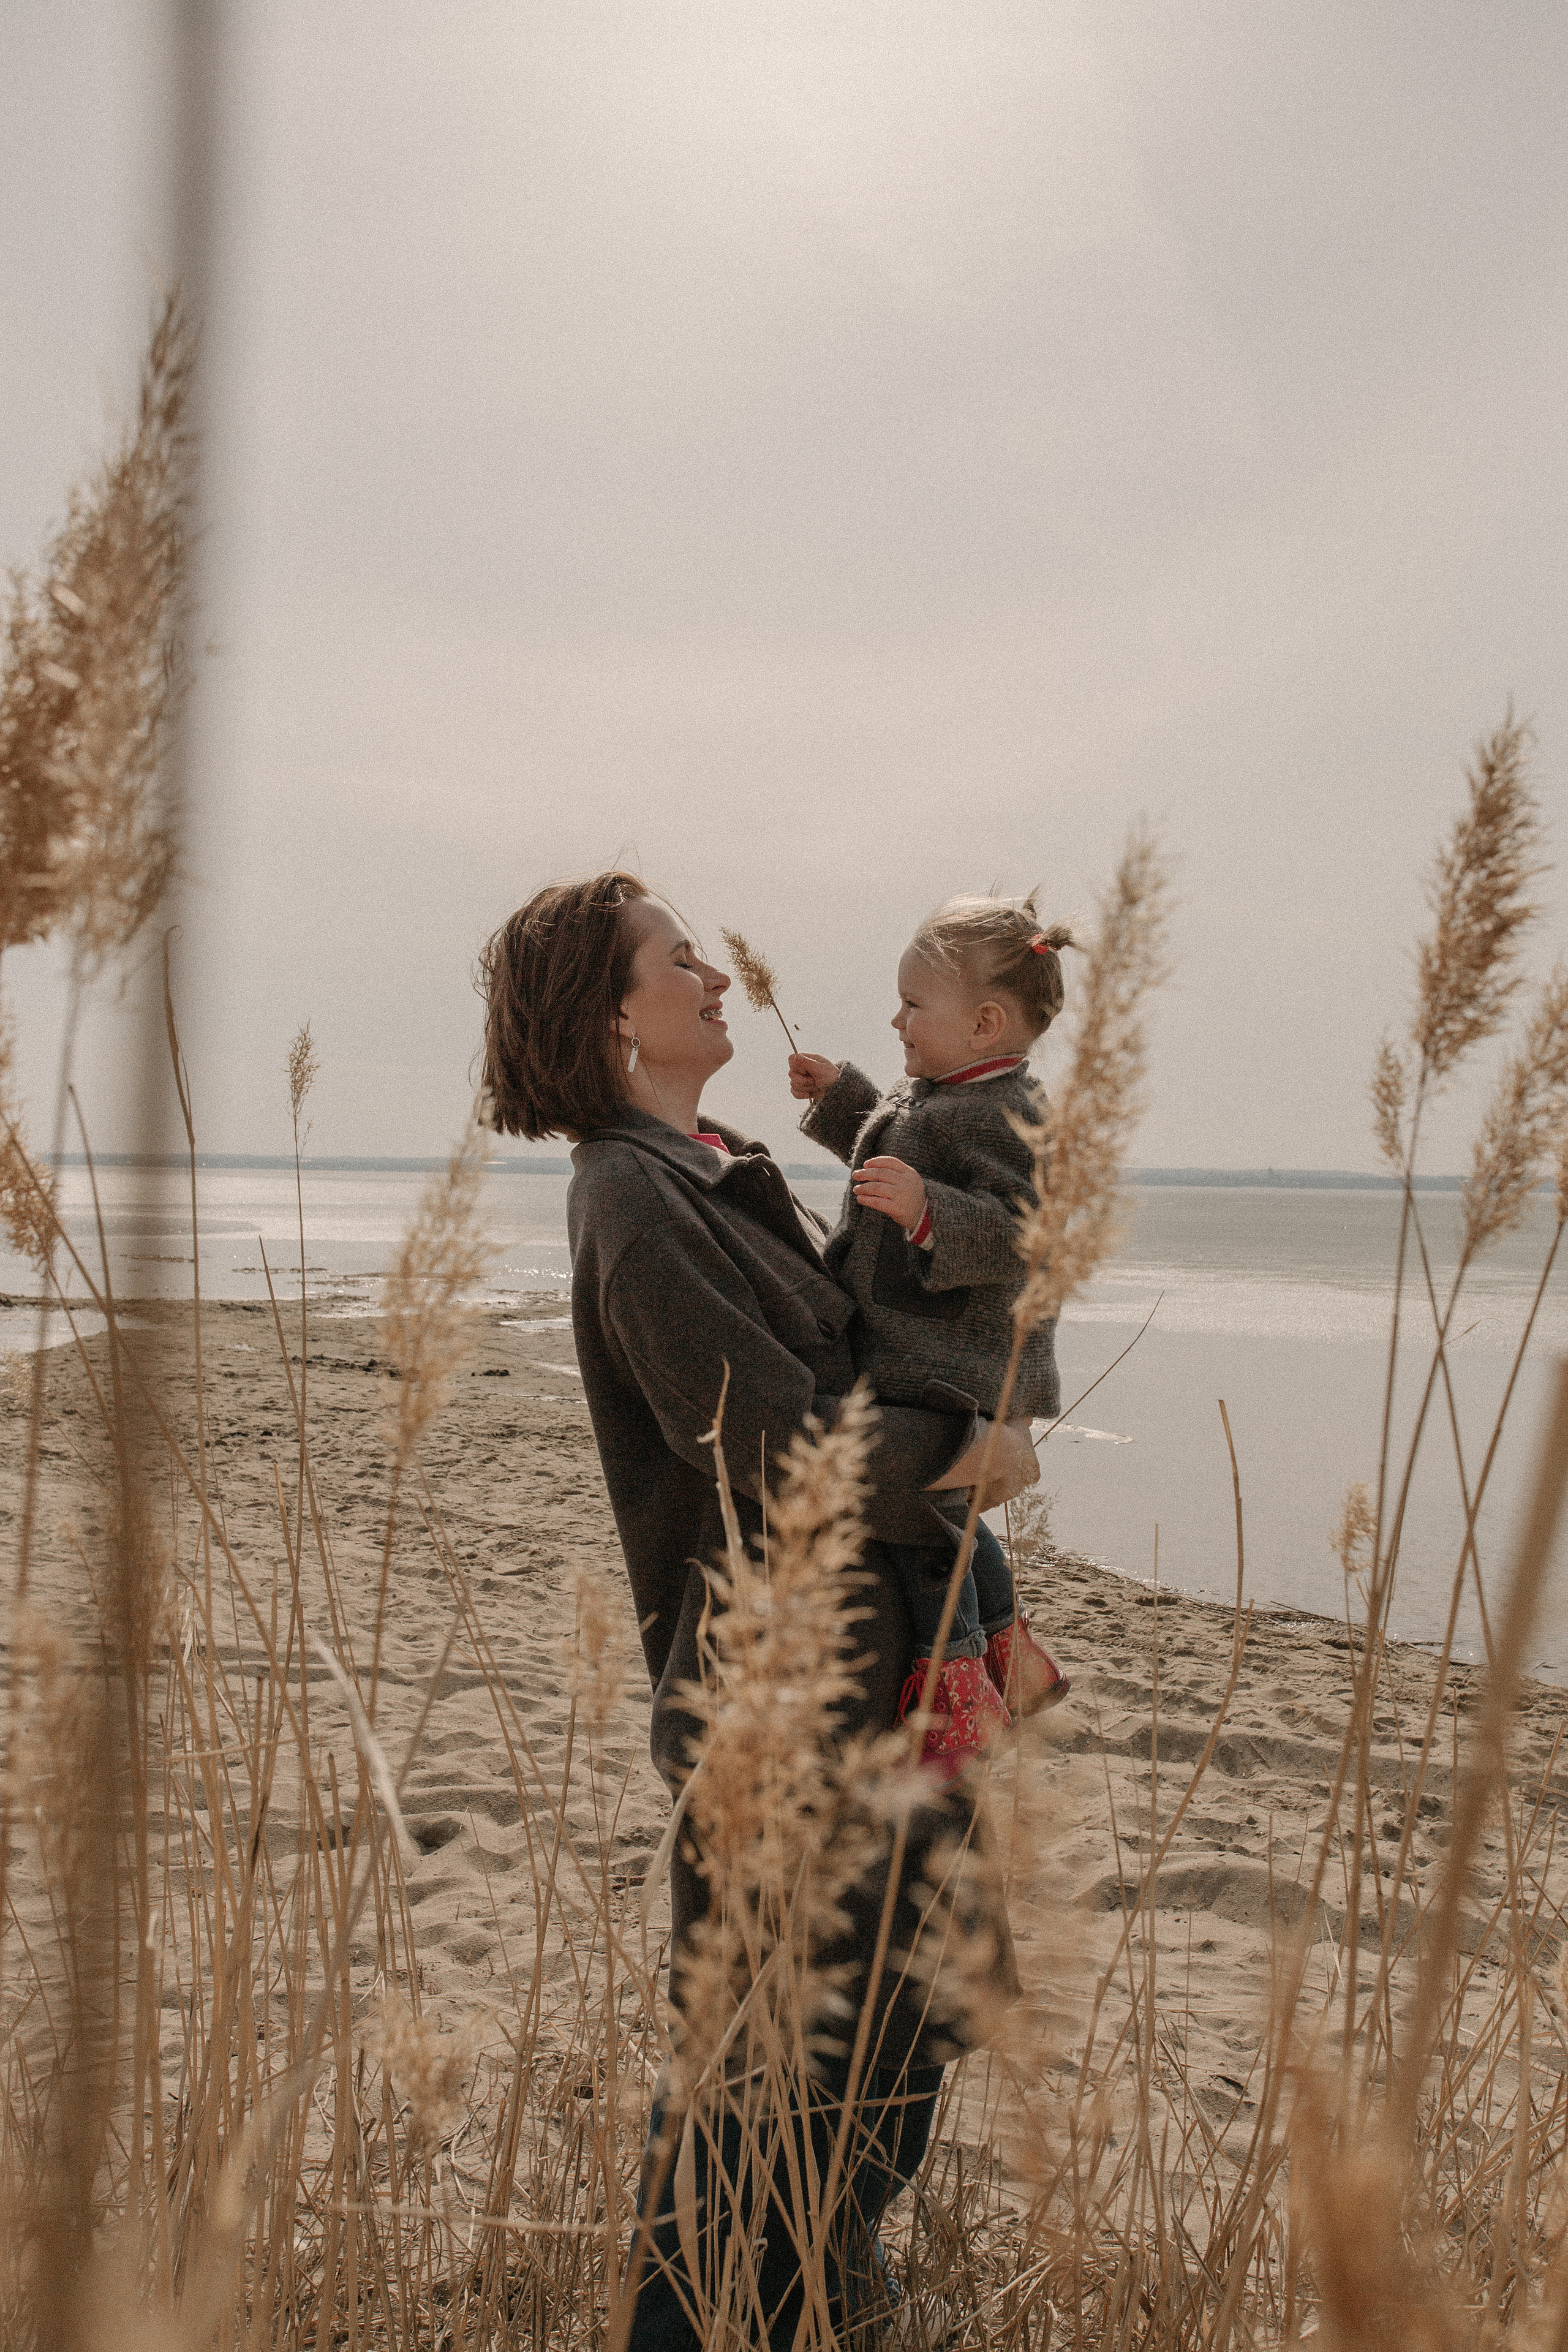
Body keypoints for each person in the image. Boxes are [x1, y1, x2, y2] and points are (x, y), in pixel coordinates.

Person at [478, 870, 1035, 2350]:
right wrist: (964, 1451)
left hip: (885, 1657)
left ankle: (825, 2303)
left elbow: (861, 1342)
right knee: (757, 2076)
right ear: (611, 1013)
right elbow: (781, 1454)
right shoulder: (627, 1194)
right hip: (772, 1697)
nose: (713, 972)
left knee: (898, 2037)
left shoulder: (718, 1158)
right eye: (678, 960)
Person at [789, 891, 1073, 1776]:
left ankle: (957, 1686)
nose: (896, 1019)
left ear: (985, 1022)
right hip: (928, 1356)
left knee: (917, 1522)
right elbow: (895, 1144)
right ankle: (1011, 1654)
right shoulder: (942, 1099)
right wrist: (843, 1100)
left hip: (956, 1361)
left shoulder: (1011, 1116)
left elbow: (1029, 1228)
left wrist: (930, 1213)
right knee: (949, 1514)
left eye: (914, 1006)